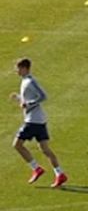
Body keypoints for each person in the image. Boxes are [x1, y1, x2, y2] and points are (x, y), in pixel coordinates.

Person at [11, 58, 66, 188]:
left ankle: (36, 168)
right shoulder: (25, 81)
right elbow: (28, 100)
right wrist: (19, 98)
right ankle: (60, 174)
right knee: (45, 149)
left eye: (18, 68)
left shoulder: (30, 81)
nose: (16, 70)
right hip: (38, 120)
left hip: (33, 120)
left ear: (24, 68)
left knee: (17, 145)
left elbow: (43, 96)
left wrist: (28, 103)